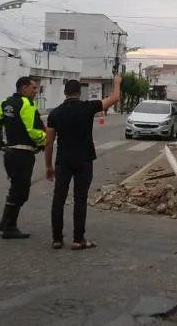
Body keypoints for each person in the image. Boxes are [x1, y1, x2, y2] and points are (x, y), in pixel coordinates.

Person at [44, 74, 122, 250]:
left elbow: (48, 142)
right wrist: (117, 82)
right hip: (84, 159)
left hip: (63, 161)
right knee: (80, 198)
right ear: (80, 92)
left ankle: (57, 238)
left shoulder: (55, 113)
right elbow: (115, 98)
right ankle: (78, 239)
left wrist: (48, 166)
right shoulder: (88, 107)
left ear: (65, 93)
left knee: (59, 198)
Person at [0, 77, 47, 239]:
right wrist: (44, 141)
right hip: (23, 154)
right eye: (34, 88)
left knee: (16, 188)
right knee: (21, 191)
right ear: (24, 88)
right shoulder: (26, 104)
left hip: (10, 153)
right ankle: (10, 226)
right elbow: (33, 130)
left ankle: (4, 223)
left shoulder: (6, 103)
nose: (36, 91)